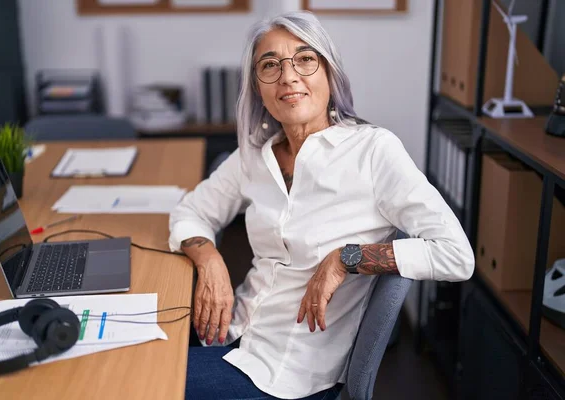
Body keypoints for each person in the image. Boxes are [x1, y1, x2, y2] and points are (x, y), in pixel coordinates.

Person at [169, 10, 474, 400]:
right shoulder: (255, 155)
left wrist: (348, 258)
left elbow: (456, 255)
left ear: (329, 73)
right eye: (270, 65)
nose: (288, 76)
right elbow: (190, 212)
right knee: (114, 351)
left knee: (132, 382)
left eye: (305, 59)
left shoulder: (373, 151)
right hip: (231, 331)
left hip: (287, 374)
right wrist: (210, 260)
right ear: (258, 88)